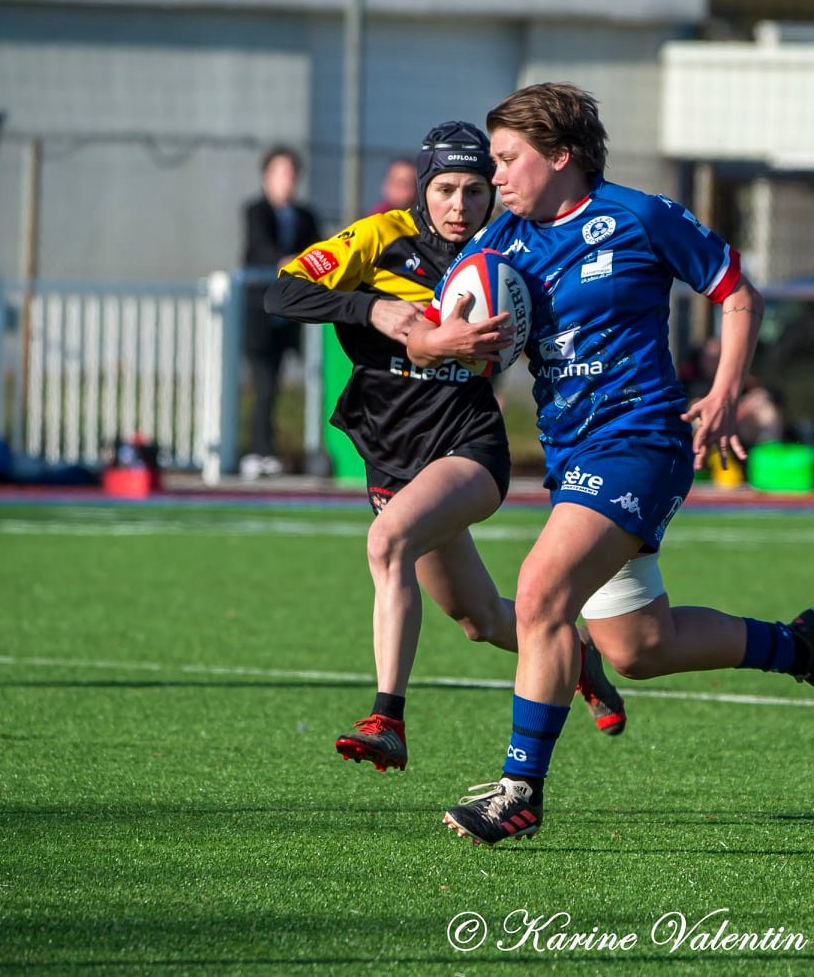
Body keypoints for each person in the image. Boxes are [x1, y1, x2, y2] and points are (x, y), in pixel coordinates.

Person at [407, 83, 814, 847]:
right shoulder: (498, 248)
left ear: (561, 156)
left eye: (508, 160)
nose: (497, 178)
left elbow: (736, 293)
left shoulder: (638, 217)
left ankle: (521, 787)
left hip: (643, 442)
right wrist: (438, 344)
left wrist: (721, 396)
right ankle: (797, 644)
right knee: (637, 647)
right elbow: (432, 336)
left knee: (540, 590)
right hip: (573, 454)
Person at [262, 120, 628, 774]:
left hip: (466, 446)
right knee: (480, 618)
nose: (458, 206)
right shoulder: (379, 237)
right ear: (423, 189)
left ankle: (387, 717)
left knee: (387, 542)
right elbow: (282, 291)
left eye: (473, 190)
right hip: (389, 450)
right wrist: (372, 310)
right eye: (445, 190)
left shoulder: (507, 246)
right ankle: (576, 654)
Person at [241, 146, 320, 478]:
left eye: (292, 173)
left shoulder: (306, 216)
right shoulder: (255, 211)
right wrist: (287, 263)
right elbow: (260, 248)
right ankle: (259, 452)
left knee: (318, 379)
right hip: (261, 316)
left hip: (296, 318)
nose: (288, 180)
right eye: (281, 173)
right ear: (266, 177)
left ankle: (317, 450)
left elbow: (321, 250)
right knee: (265, 386)